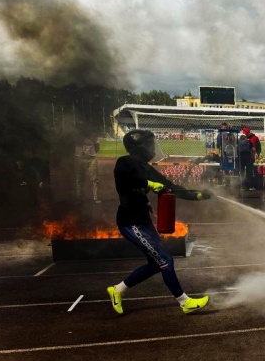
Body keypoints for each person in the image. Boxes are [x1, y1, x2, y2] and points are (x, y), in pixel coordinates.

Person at [106, 130, 212, 316]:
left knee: (156, 263)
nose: (152, 148)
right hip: (130, 222)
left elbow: (170, 187)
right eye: (148, 144)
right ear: (139, 147)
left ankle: (118, 290)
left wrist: (199, 195)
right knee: (165, 260)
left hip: (142, 221)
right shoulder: (125, 162)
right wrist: (148, 185)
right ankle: (185, 302)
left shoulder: (146, 167)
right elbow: (125, 181)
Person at [74, 135, 100, 203]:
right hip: (79, 158)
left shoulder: (92, 133)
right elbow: (74, 142)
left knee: (95, 178)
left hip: (91, 158)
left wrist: (91, 153)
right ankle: (79, 197)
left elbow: (97, 146)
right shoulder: (76, 132)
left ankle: (95, 197)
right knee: (79, 178)